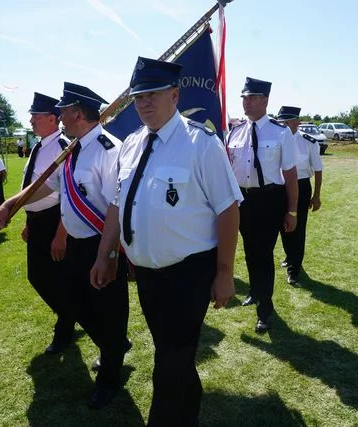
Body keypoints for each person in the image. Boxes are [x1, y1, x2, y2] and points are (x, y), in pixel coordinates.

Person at [90, 57, 242, 426]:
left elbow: (228, 209)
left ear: (174, 95)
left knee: (169, 363)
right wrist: (106, 255)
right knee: (173, 353)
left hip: (189, 273)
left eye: (152, 95)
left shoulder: (200, 144)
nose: (143, 103)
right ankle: (188, 411)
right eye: (138, 97)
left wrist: (225, 273)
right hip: (147, 273)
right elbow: (116, 204)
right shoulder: (131, 144)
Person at [41, 81, 131, 410]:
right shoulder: (72, 148)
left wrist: (107, 254)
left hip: (102, 245)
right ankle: (115, 348)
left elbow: (115, 207)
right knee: (75, 304)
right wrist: (13, 204)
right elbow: (56, 191)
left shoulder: (110, 149)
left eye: (63, 110)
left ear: (78, 113)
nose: (59, 115)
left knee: (109, 311)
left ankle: (109, 378)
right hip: (77, 245)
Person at [0, 92, 76, 355]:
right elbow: (30, 186)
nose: (30, 120)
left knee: (57, 279)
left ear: (53, 118)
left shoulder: (63, 146)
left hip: (56, 220)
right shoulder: (39, 146)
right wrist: (29, 220)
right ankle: (70, 316)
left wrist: (61, 234)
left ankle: (66, 326)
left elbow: (67, 194)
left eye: (36, 116)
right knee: (38, 276)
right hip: (38, 221)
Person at [226, 77, 298, 334]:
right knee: (250, 251)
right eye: (244, 97)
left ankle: (264, 309)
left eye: (253, 97)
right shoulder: (234, 132)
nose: (247, 101)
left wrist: (291, 211)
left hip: (270, 199)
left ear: (265, 100)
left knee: (264, 254)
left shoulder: (281, 132)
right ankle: (256, 292)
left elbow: (290, 175)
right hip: (243, 201)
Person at [277, 106, 324, 286]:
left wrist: (317, 195)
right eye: (282, 122)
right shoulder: (277, 139)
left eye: (288, 121)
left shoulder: (308, 142)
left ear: (297, 122)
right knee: (284, 226)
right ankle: (290, 257)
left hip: (301, 186)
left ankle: (294, 270)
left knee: (298, 227)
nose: (285, 125)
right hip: (280, 187)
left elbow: (318, 170)